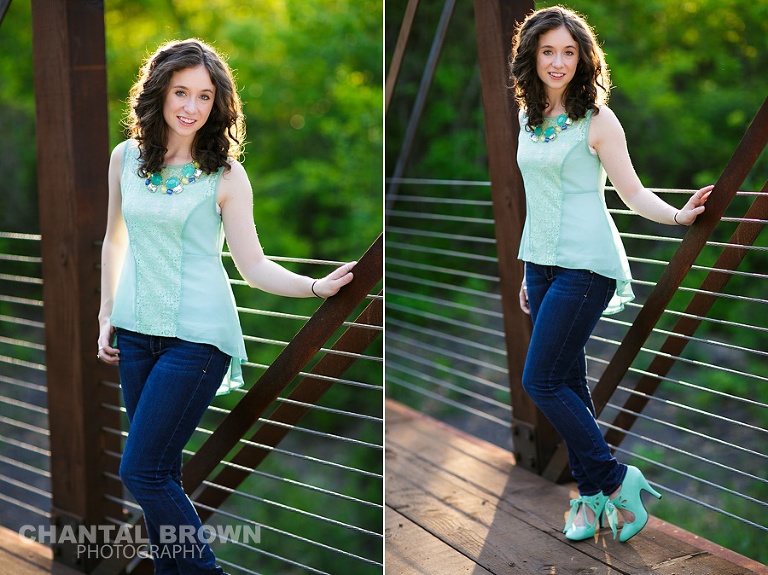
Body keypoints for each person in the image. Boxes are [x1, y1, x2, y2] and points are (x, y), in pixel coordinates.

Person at [96, 39, 356, 573]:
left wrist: (313, 287)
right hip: (135, 335)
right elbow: (113, 241)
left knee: (140, 471)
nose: (191, 107)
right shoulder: (125, 158)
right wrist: (106, 314)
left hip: (197, 340)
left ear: (218, 105)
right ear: (159, 93)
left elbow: (253, 265)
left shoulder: (227, 176)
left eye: (205, 97)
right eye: (181, 92)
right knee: (160, 473)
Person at [508, 6, 711, 543]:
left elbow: (633, 193)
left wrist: (678, 215)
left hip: (587, 265)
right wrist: (527, 270)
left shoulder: (597, 119)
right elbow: (537, 199)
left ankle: (618, 478)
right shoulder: (526, 115)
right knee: (568, 380)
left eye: (569, 52)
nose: (558, 62)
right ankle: (592, 498)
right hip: (543, 266)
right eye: (548, 51)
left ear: (583, 58)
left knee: (541, 380)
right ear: (531, 56)